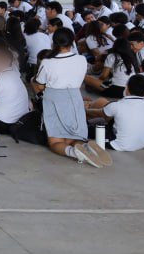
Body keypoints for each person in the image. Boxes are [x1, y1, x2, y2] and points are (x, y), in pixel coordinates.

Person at [32, 29, 110, 167]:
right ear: (72, 41)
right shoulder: (81, 59)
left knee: (56, 142)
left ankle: (74, 153)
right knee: (74, 137)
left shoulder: (47, 62)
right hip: (75, 97)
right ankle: (85, 148)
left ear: (53, 42)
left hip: (54, 99)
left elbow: (39, 85)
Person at [87, 74, 144, 152]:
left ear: (127, 87)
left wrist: (84, 110)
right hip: (142, 144)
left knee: (86, 129)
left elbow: (98, 113)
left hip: (118, 144)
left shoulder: (118, 105)